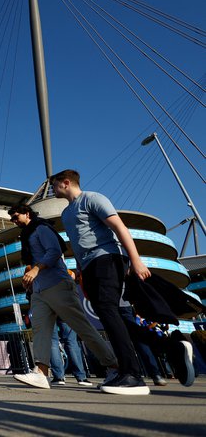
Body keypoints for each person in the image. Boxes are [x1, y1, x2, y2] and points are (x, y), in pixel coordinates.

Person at [51, 169, 156, 395]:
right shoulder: (67, 213)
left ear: (66, 183)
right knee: (111, 316)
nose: (52, 189)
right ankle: (169, 347)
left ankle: (132, 375)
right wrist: (81, 274)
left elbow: (119, 227)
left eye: (54, 185)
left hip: (107, 259)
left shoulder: (92, 199)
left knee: (110, 312)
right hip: (89, 267)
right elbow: (79, 244)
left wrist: (136, 260)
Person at [7, 203, 119, 391]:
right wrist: (31, 279)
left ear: (27, 214)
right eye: (12, 219)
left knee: (82, 327)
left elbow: (55, 251)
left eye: (16, 217)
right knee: (40, 331)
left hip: (58, 285)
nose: (14, 221)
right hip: (39, 290)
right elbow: (36, 260)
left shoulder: (41, 228)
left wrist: (36, 269)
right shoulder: (26, 235)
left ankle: (114, 367)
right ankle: (41, 373)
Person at [49, 318, 93, 386]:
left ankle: (58, 377)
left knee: (53, 341)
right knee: (71, 341)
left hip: (48, 310)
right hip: (64, 309)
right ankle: (81, 377)